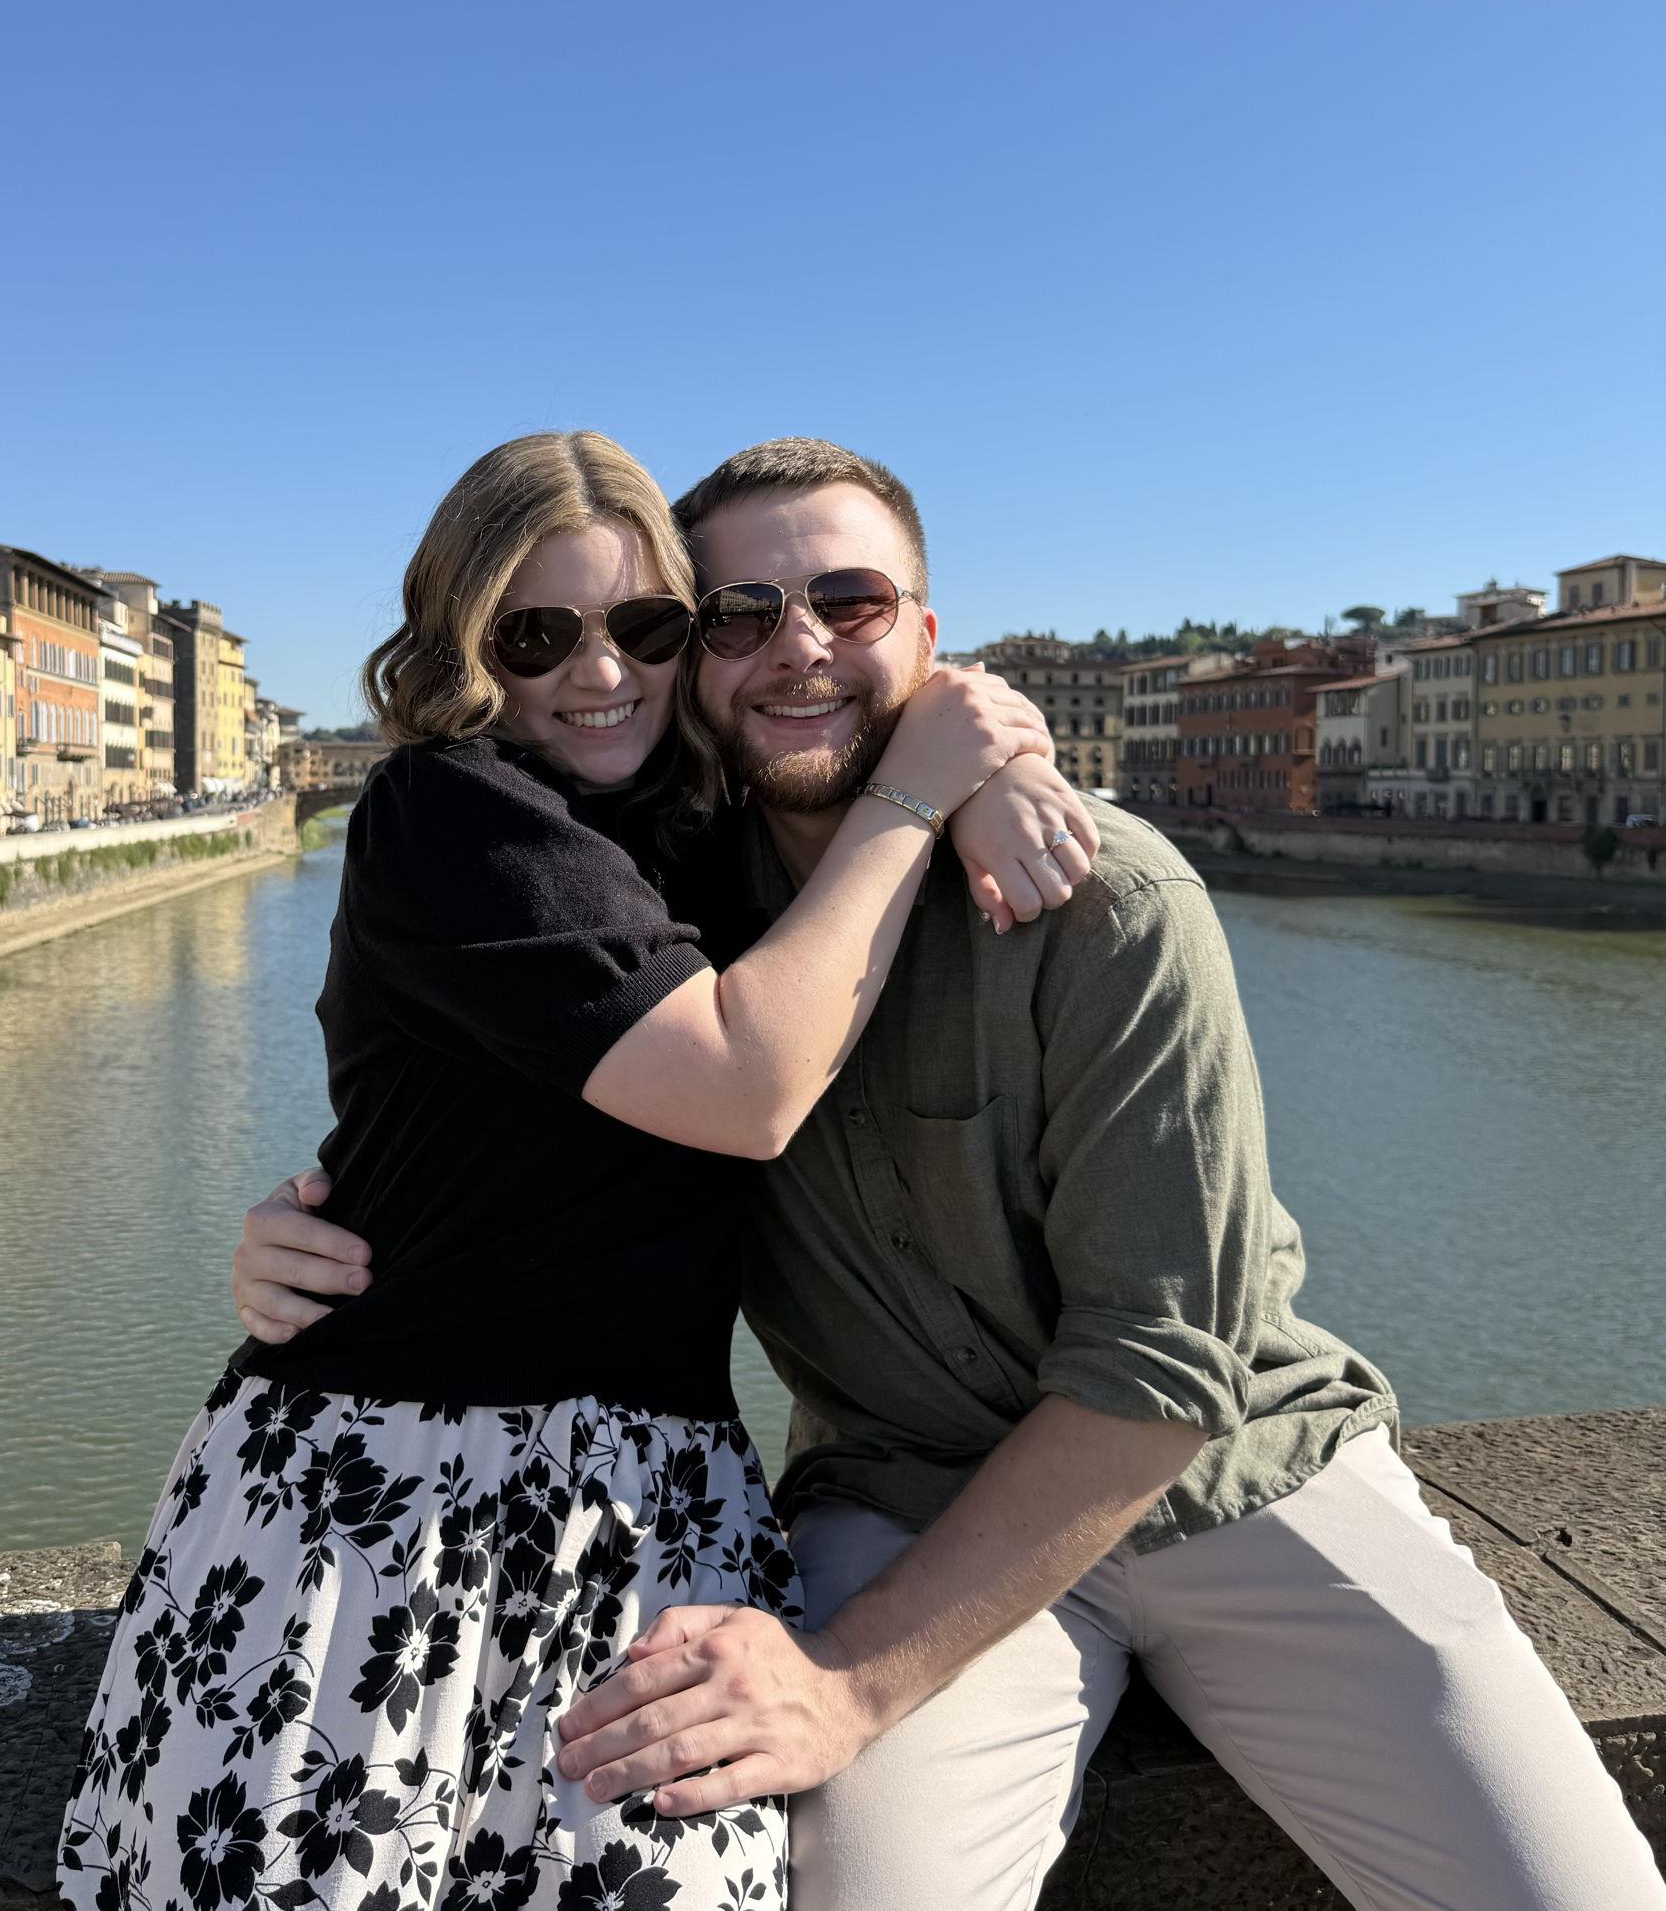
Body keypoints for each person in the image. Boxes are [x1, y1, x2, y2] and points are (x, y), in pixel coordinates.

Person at [237, 437, 1666, 1911]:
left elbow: (1164, 1362)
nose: (798, 650)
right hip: (901, 1503)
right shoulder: (664, 912)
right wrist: (324, 1229)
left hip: (1240, 1480)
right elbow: (486, 1105)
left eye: (851, 605)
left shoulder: (1103, 898)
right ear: (693, 667)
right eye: (733, 616)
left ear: (926, 640)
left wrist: (847, 1685)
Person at [60, 430, 1095, 1911]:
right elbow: (745, 1086)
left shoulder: (707, 837)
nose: (597, 673)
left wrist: (992, 775)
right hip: (386, 1499)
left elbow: (870, 715)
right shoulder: (451, 810)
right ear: (461, 644)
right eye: (535, 634)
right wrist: (923, 803)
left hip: (651, 1507)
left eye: (647, 628)